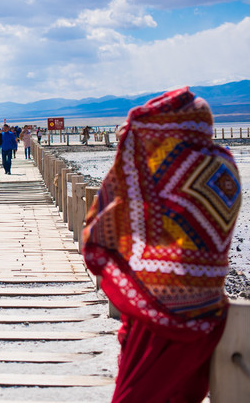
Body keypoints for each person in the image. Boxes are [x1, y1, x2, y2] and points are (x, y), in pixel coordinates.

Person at [82, 88, 241, 402]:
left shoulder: (168, 168)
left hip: (157, 303)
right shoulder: (225, 162)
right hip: (209, 304)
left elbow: (112, 215)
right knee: (184, 393)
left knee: (139, 392)